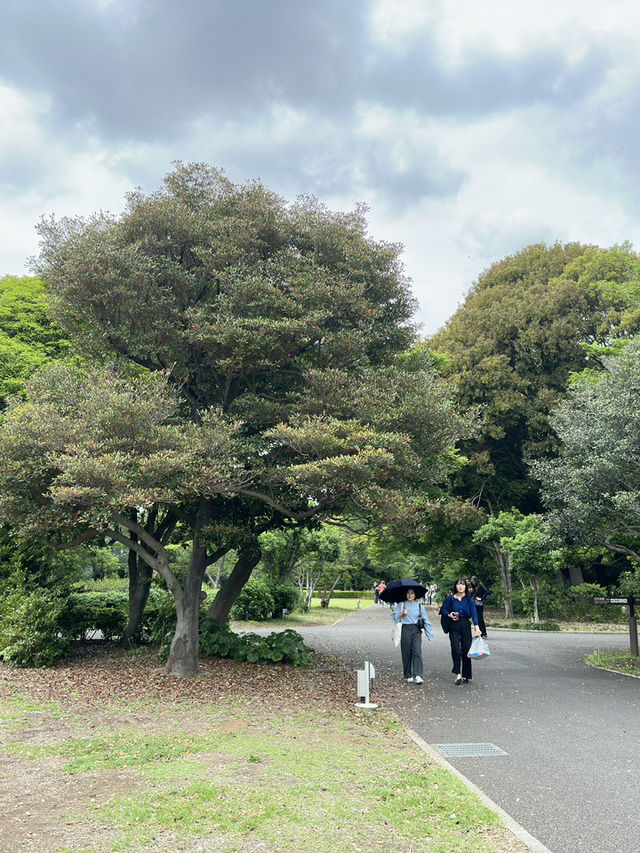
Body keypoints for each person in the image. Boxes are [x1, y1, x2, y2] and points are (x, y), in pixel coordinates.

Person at [441, 578, 482, 685]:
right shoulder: (451, 598)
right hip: (453, 625)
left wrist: (477, 628)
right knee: (455, 649)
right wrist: (449, 614)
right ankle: (458, 673)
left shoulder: (469, 600)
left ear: (465, 587)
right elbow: (444, 610)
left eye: (463, 585)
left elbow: (474, 615)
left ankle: (466, 674)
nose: (460, 587)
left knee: (466, 650)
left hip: (465, 625)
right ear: (455, 586)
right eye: (458, 584)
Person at [391, 588, 433, 683]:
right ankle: (408, 674)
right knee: (406, 652)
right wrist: (402, 613)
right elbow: (394, 618)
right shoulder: (402, 605)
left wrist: (429, 633)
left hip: (416, 630)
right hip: (405, 629)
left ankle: (418, 675)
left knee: (417, 651)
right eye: (408, 593)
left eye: (412, 593)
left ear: (415, 595)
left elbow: (425, 620)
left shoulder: (419, 606)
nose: (410, 595)